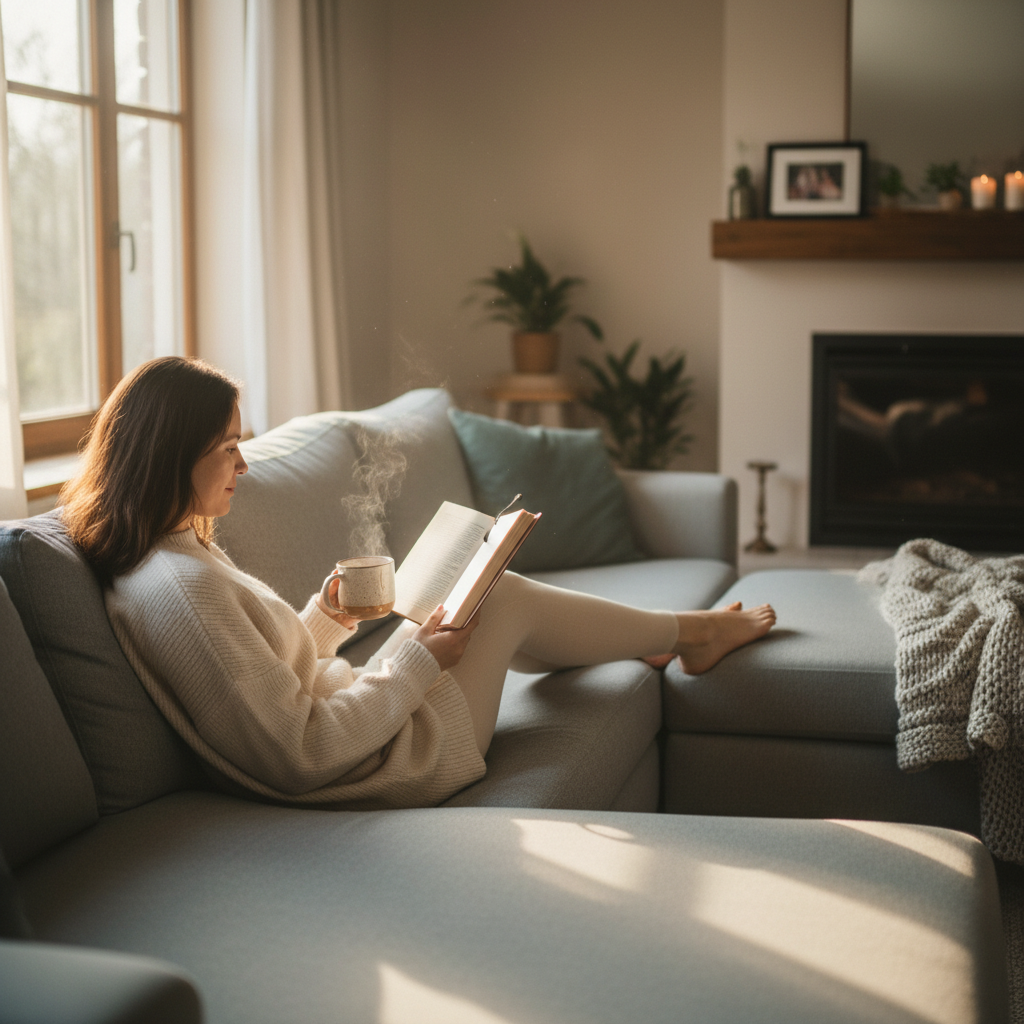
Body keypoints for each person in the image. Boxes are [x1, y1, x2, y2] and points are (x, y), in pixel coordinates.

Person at [61, 357, 775, 810]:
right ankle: (692, 634)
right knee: (506, 595)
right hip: (380, 764)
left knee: (488, 594)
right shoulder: (180, 590)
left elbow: (263, 679)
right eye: (227, 449)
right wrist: (417, 659)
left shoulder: (171, 554)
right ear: (167, 457)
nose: (243, 466)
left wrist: (328, 619)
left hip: (366, 728)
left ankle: (661, 638)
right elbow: (299, 752)